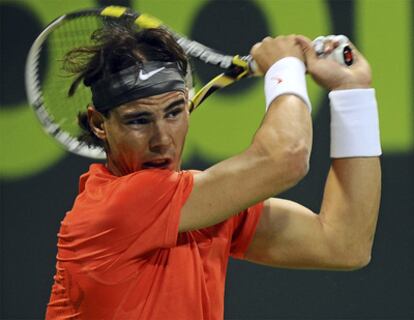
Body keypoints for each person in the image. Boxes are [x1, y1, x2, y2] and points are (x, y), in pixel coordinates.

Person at [45, 24, 381, 319]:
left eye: (174, 112)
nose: (162, 139)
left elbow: (344, 243)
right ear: (99, 123)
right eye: (139, 120)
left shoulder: (200, 206)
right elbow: (288, 156)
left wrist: (352, 94)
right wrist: (285, 69)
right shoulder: (113, 208)